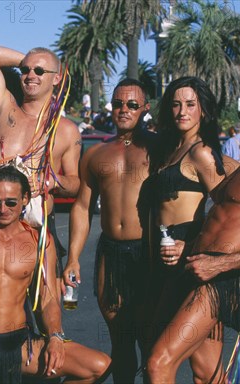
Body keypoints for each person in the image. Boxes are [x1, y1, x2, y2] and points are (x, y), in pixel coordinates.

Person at [146, 84, 240, 381]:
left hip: (217, 281)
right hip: (195, 267)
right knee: (207, 374)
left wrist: (219, 264)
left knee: (159, 362)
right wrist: (186, 246)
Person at [0, 166, 111, 383]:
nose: (2, 209)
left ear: (25, 199)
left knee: (97, 366)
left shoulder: (40, 241)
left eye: (11, 202)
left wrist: (55, 336)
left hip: (19, 343)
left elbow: (48, 297)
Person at [141, 77, 237, 382]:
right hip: (166, 264)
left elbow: (227, 212)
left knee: (160, 362)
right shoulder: (173, 147)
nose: (182, 111)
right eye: (176, 103)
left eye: (190, 104)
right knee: (206, 371)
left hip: (193, 264)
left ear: (203, 110)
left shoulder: (200, 152)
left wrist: (190, 244)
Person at [63, 79, 152, 382]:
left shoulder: (159, 148)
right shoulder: (96, 154)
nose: (123, 109)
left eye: (132, 105)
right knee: (121, 341)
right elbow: (81, 207)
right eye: (118, 103)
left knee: (152, 343)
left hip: (148, 253)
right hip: (110, 253)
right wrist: (73, 257)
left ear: (145, 109)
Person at [0, 44, 81, 269]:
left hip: (37, 231)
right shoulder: (3, 109)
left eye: (40, 71)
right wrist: (31, 61)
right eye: (26, 70)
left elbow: (75, 183)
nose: (31, 75)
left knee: (44, 303)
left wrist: (51, 181)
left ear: (57, 79)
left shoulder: (66, 129)